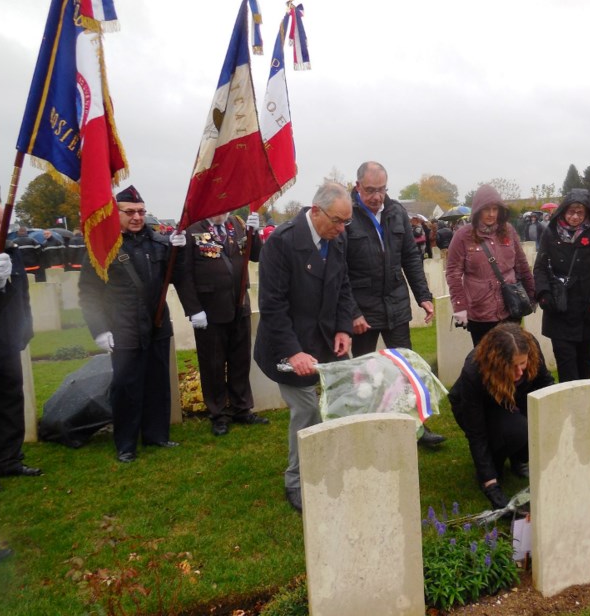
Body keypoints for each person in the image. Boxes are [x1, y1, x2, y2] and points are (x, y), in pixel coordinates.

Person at [253, 182, 356, 512]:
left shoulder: (336, 240)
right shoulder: (281, 243)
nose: (341, 230)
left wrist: (343, 328)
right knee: (307, 410)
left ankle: (328, 463)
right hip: (286, 346)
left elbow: (343, 288)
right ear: (316, 211)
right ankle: (296, 480)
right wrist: (293, 352)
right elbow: (272, 306)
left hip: (325, 341)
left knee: (341, 402)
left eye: (346, 223)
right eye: (337, 221)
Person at [79, 186, 182, 463]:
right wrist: (99, 329)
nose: (137, 217)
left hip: (158, 323)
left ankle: (156, 435)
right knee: (127, 387)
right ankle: (126, 444)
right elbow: (88, 292)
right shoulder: (102, 247)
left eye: (140, 211)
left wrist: (180, 251)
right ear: (117, 213)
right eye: (130, 212)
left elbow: (175, 276)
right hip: (123, 326)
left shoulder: (158, 242)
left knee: (158, 384)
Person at [345, 161, 444, 447]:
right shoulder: (347, 215)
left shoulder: (396, 212)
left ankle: (415, 428)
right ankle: (365, 428)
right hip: (363, 307)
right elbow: (339, 271)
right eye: (370, 190)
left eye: (381, 189)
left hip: (396, 302)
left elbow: (410, 258)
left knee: (405, 368)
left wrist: (423, 296)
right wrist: (353, 312)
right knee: (363, 372)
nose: (376, 196)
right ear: (357, 186)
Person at [174, 211, 269, 436]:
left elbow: (256, 255)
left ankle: (241, 408)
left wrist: (254, 234)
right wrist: (194, 310)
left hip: (239, 305)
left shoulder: (237, 224)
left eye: (226, 208)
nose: (222, 213)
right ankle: (218, 414)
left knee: (240, 360)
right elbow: (183, 274)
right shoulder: (191, 229)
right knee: (213, 365)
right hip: (209, 310)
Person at [447, 323, 554, 509]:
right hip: (479, 406)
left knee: (530, 429)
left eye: (523, 363)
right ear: (497, 363)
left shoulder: (531, 347)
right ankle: (494, 464)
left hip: (514, 399)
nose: (521, 372)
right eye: (513, 367)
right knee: (512, 433)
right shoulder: (474, 371)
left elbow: (545, 384)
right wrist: (490, 484)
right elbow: (476, 433)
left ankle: (518, 459)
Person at [533, 189, 590, 382]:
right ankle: (567, 408)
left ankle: (584, 408)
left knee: (585, 365)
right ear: (563, 211)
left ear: (587, 213)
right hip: (560, 308)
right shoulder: (551, 233)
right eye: (571, 212)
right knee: (566, 366)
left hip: (588, 309)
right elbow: (540, 267)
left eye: (580, 213)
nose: (574, 217)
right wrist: (543, 293)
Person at [445, 184, 535, 347]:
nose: (491, 214)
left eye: (495, 209)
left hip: (510, 307)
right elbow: (453, 274)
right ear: (478, 210)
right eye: (487, 209)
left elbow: (521, 264)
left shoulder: (508, 231)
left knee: (511, 358)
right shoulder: (463, 236)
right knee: (486, 364)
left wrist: (531, 294)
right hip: (480, 312)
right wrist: (460, 308)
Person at [0, 201, 42, 478]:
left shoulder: (11, 252)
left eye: (3, 221)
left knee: (10, 400)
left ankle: (9, 460)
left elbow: (21, 295)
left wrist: (25, 328)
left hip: (8, 339)